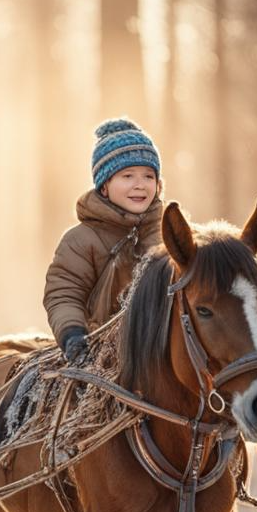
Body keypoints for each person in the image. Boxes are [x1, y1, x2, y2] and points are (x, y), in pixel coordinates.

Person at [43, 117, 164, 363]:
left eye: (148, 176)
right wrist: (72, 333)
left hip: (164, 351)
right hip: (100, 350)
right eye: (127, 176)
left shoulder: (169, 234)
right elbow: (64, 292)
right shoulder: (81, 240)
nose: (140, 185)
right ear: (105, 186)